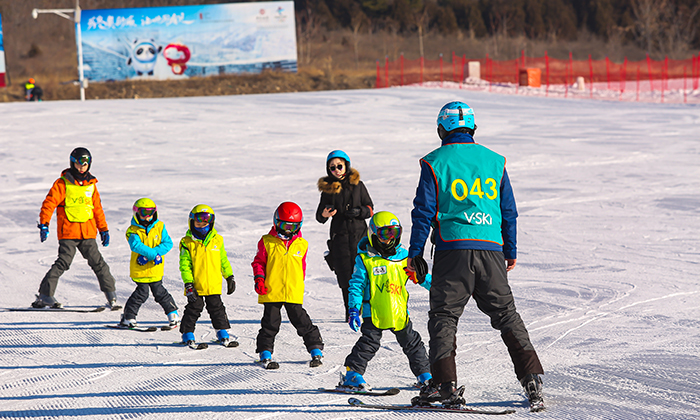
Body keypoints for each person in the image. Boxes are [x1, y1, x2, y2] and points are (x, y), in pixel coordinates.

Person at [407, 101, 545, 410]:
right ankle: (532, 377)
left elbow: (423, 213)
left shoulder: (435, 162)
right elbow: (508, 211)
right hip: (491, 250)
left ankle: (444, 384)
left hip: (452, 250)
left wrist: (415, 253)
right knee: (506, 314)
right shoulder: (495, 161)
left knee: (444, 316)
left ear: (442, 130)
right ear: (472, 129)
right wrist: (510, 249)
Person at [339, 211, 432, 391]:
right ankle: (352, 374)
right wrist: (353, 309)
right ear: (373, 234)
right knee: (369, 343)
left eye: (394, 233)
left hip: (399, 313)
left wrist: (438, 287)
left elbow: (421, 277)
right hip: (373, 312)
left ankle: (425, 376)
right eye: (384, 234)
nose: (389, 239)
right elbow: (356, 285)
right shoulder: (365, 260)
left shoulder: (404, 257)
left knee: (413, 344)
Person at [34, 147, 118, 309]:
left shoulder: (91, 185)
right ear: (72, 163)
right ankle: (45, 295)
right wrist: (44, 223)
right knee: (63, 262)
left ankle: (111, 295)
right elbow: (49, 204)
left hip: (88, 232)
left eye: (85, 164)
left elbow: (97, 209)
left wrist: (103, 229)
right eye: (79, 163)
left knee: (98, 263)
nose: (82, 167)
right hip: (69, 232)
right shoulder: (62, 183)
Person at [252, 202, 324, 368]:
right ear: (277, 222)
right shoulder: (267, 242)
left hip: (293, 291)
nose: (288, 230)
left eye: (293, 226)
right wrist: (259, 279)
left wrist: (298, 283)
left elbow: (301, 267)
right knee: (270, 323)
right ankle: (265, 352)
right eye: (285, 225)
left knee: (302, 321)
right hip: (272, 289)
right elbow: (259, 263)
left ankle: (316, 350)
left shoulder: (302, 244)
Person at [315, 150, 374, 319]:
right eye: (332, 168)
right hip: (339, 239)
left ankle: (368, 310)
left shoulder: (358, 185)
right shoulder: (328, 190)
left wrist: (359, 211)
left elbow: (370, 208)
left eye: (339, 166)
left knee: (363, 273)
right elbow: (319, 216)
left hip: (359, 237)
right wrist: (325, 214)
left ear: (346, 166)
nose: (336, 170)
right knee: (344, 276)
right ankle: (351, 312)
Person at [178, 204, 237, 347]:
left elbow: (223, 261)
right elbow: (185, 266)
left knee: (217, 308)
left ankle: (222, 332)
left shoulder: (218, 240)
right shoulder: (187, 243)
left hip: (213, 284)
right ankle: (187, 334)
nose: (202, 224)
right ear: (192, 221)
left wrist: (229, 276)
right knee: (194, 308)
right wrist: (189, 284)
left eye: (205, 221)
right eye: (198, 221)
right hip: (196, 285)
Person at [120, 198, 179, 328]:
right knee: (142, 293)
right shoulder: (132, 230)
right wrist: (152, 255)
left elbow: (167, 243)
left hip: (155, 269)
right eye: (143, 213)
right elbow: (135, 245)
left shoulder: (160, 226)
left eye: (150, 213)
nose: (147, 217)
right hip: (140, 270)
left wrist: (153, 254)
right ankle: (128, 317)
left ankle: (173, 314)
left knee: (160, 292)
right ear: (136, 213)